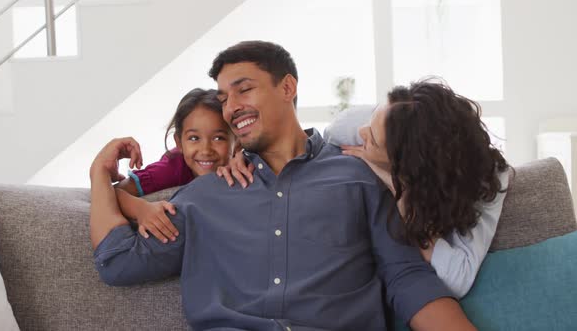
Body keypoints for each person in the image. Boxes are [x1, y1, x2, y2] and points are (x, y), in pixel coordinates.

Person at [89, 41, 475, 330]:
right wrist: (98, 175)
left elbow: (407, 279)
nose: (232, 106)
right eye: (225, 98)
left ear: (288, 87)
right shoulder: (205, 195)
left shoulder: (357, 179)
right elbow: (118, 262)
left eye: (244, 89)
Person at [335, 79, 511, 298]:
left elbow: (459, 279)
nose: (361, 132)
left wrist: (396, 185)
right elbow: (334, 131)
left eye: (372, 139)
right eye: (370, 122)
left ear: (411, 166)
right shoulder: (380, 120)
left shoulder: (488, 177)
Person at [107, 88, 237, 243]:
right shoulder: (172, 168)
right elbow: (112, 193)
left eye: (218, 138)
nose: (206, 150)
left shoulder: (243, 163)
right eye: (194, 138)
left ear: (237, 141)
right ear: (179, 142)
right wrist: (140, 209)